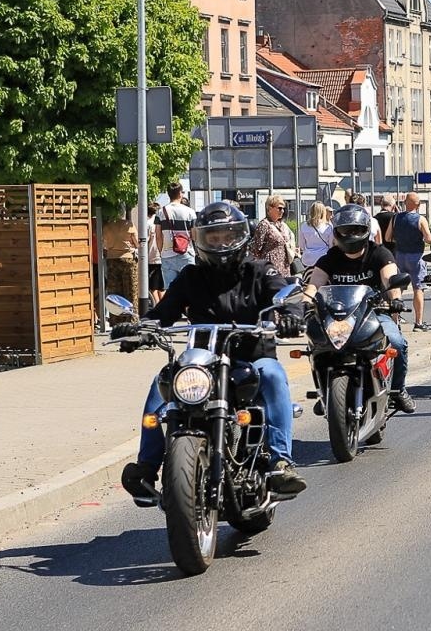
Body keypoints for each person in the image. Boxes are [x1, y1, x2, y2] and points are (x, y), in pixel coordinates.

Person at [118, 201, 306, 509]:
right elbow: (164, 312)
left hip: (252, 355)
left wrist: (291, 313)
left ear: (241, 236)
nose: (220, 243)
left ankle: (280, 463)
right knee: (162, 382)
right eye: (212, 238)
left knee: (273, 375)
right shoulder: (192, 276)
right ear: (201, 240)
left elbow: (283, 293)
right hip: (204, 359)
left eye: (227, 236)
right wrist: (139, 328)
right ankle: (146, 468)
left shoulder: (258, 270)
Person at [304, 204, 416, 414]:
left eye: (356, 229)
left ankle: (398, 390)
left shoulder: (379, 253)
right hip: (338, 319)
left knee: (398, 343)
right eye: (346, 230)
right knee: (315, 345)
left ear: (365, 230)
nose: (351, 234)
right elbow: (314, 284)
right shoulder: (330, 258)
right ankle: (325, 392)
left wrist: (396, 299)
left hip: (373, 314)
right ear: (337, 232)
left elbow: (389, 277)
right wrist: (304, 303)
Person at [388, 192, 431, 331]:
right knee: (418, 289)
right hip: (416, 257)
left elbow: (388, 236)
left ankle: (395, 321)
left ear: (405, 203)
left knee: (397, 289)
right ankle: (418, 323)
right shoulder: (420, 219)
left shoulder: (395, 218)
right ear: (418, 205)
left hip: (399, 256)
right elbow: (429, 238)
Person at [154, 183, 197, 286]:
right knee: (190, 289)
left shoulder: (161, 212)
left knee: (171, 291)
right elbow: (195, 235)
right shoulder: (190, 212)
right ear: (180, 194)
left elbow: (158, 235)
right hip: (186, 253)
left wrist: (161, 251)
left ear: (168, 194)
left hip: (167, 255)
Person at [249, 195, 298, 276]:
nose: (282, 211)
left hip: (284, 268)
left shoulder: (281, 225)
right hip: (270, 269)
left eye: (283, 208)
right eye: (279, 208)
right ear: (270, 208)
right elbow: (255, 249)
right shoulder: (264, 225)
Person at [101, 205, 138, 306]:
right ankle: (132, 317)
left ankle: (115, 319)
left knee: (115, 293)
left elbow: (104, 244)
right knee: (131, 292)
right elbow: (137, 243)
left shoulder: (107, 226)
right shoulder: (128, 224)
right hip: (128, 259)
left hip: (112, 259)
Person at [297, 202, 334, 269]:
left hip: (308, 259)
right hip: (324, 258)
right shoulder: (328, 227)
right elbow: (331, 245)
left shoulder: (303, 226)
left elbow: (301, 245)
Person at [145, 201, 165, 305]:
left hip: (152, 258)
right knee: (161, 287)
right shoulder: (162, 222)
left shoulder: (148, 224)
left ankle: (157, 309)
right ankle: (166, 307)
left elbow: (145, 241)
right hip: (163, 256)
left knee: (153, 288)